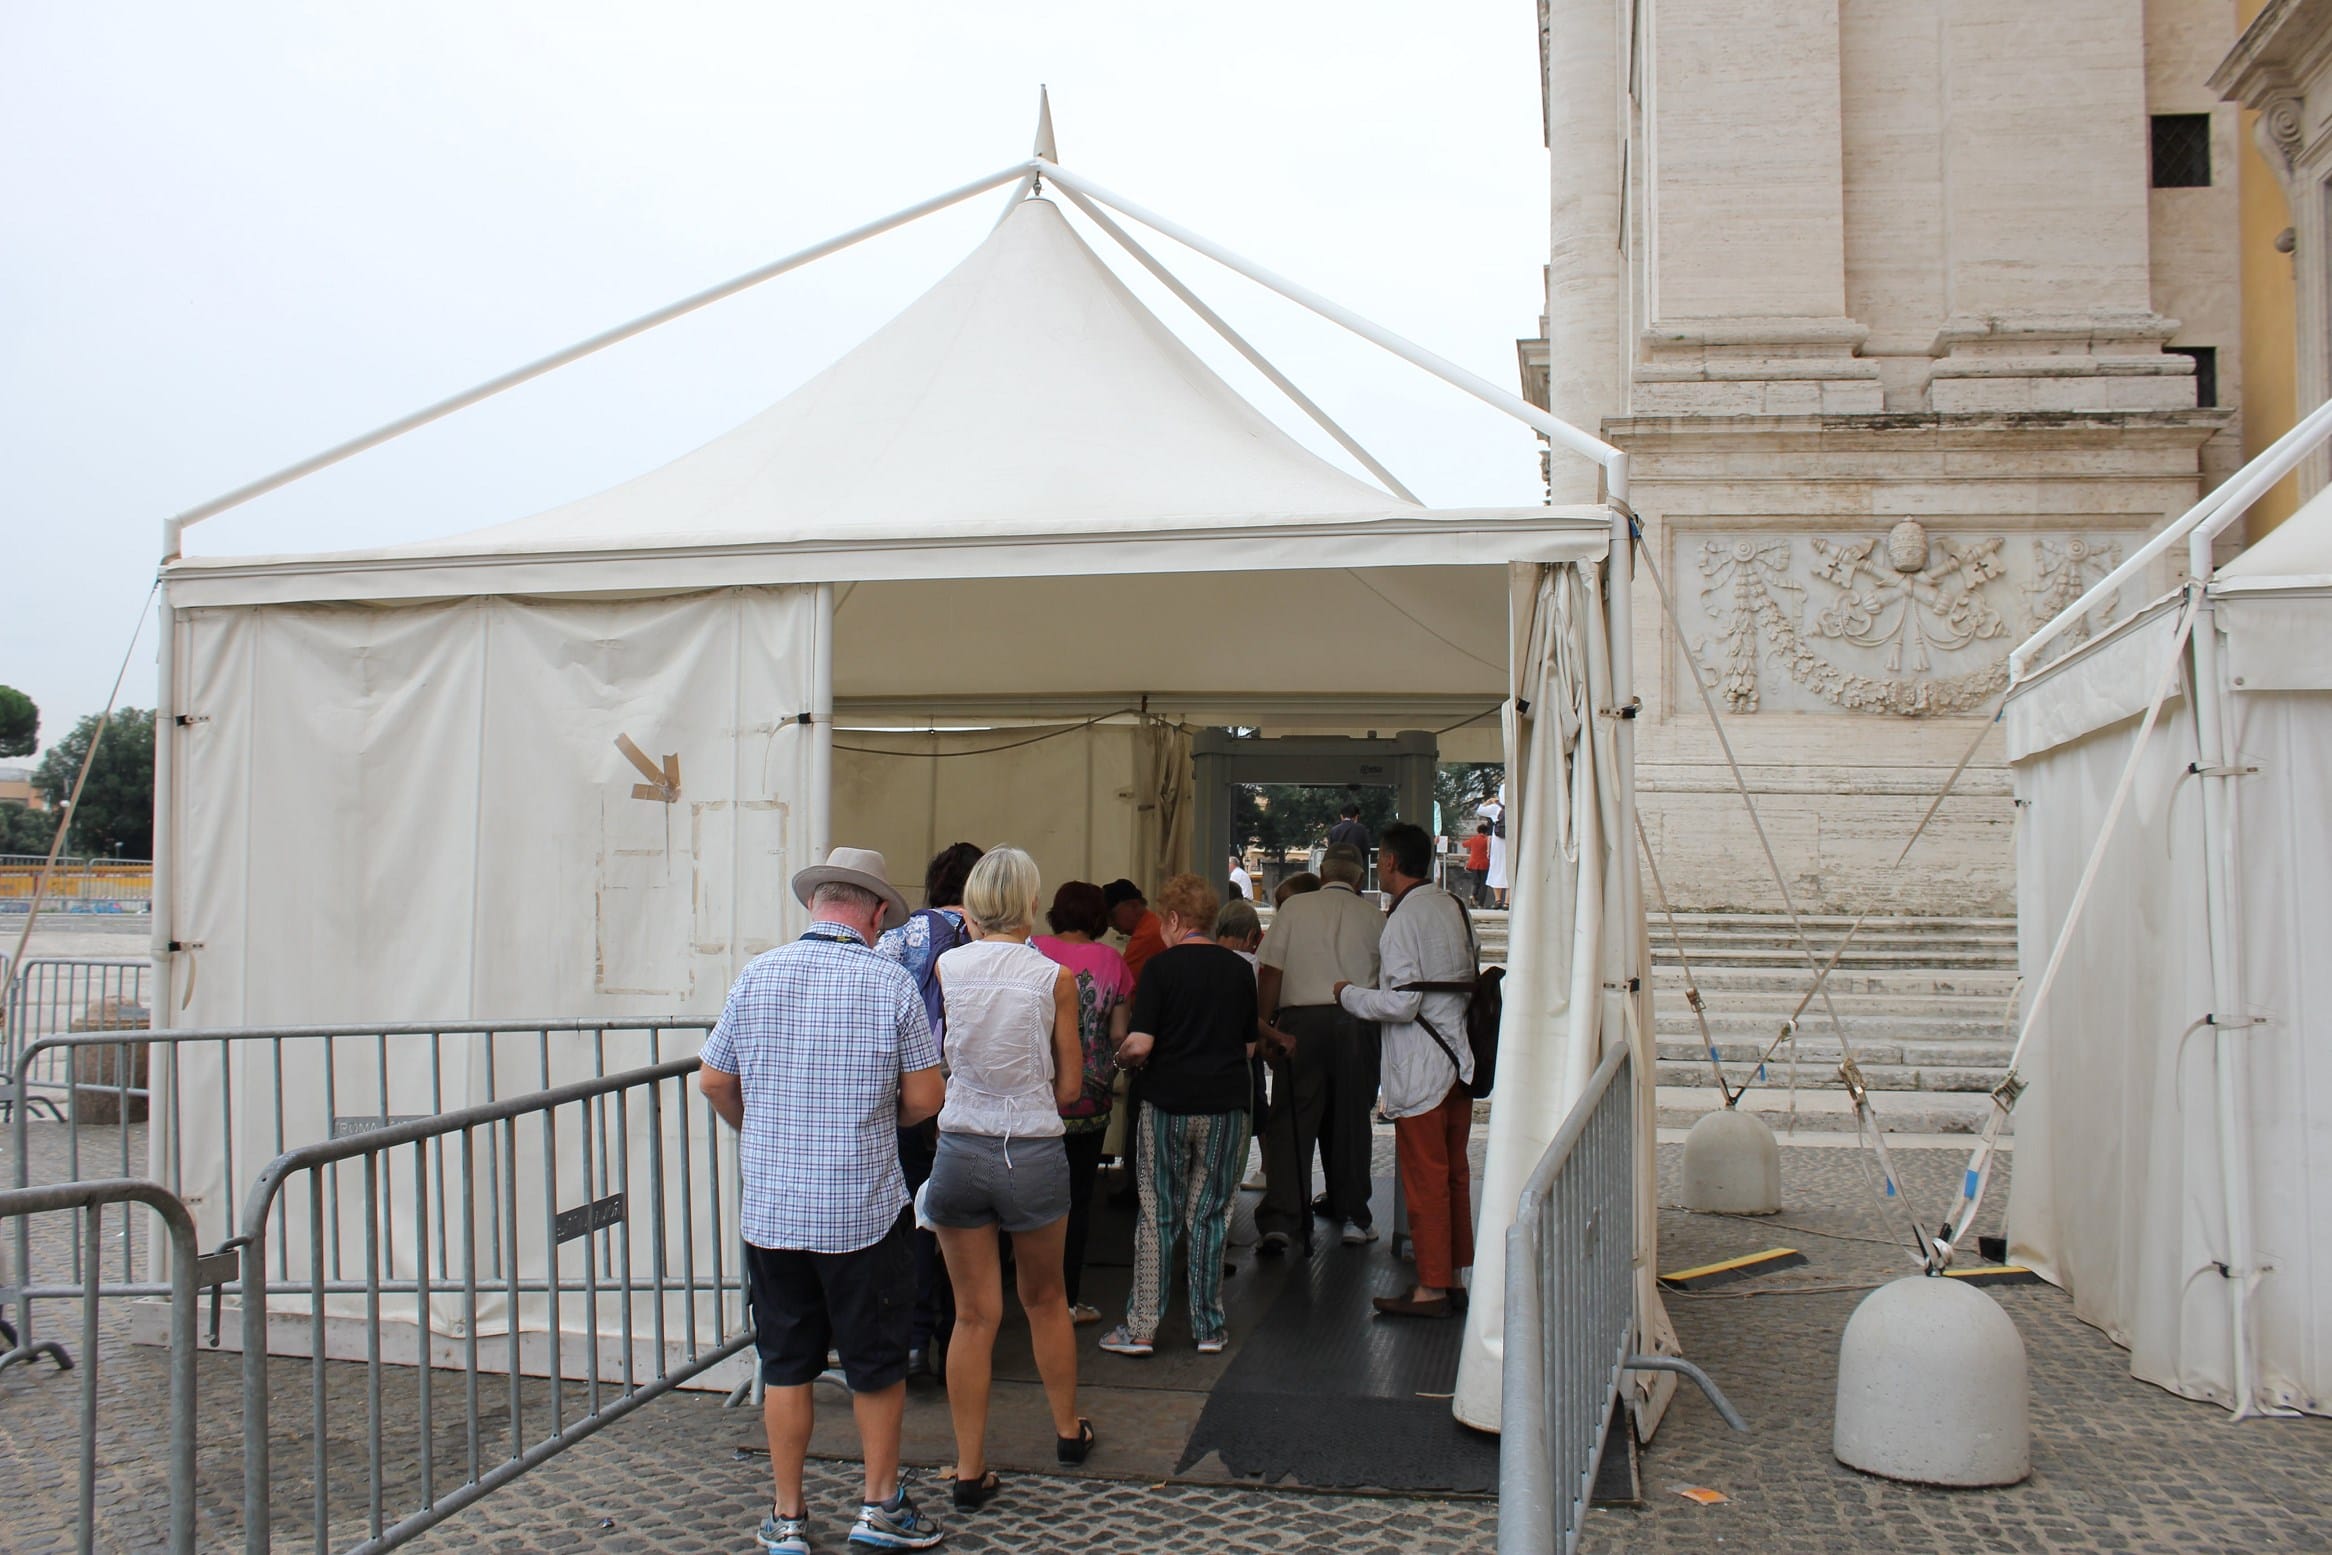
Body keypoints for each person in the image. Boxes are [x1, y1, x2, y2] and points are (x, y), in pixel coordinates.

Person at [697, 846, 948, 1554]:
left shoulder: (759, 971)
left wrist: (763, 1126)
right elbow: (926, 1096)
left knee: (786, 1361)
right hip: (862, 1211)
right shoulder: (891, 983)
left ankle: (787, 1517)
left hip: (773, 1210)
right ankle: (877, 1506)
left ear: (815, 905)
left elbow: (714, 1080)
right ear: (873, 912)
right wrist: (879, 1119)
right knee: (874, 1363)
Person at [923, 847, 1094, 1510]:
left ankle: (969, 1467)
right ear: (1030, 900)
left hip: (959, 1146)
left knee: (972, 1315)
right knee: (1046, 1300)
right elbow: (1073, 1083)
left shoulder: (946, 964)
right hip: (1030, 1146)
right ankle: (1067, 1431)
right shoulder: (1055, 975)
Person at [1096, 874, 1256, 1358]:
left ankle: (1142, 1328)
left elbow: (1141, 1043)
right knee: (1210, 1216)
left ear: (1172, 920)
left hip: (1167, 1105)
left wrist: (1120, 1059)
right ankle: (1208, 1328)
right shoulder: (1239, 970)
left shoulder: (1161, 969)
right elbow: (1248, 1047)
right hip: (1226, 1107)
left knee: (1158, 1213)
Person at [1334, 822, 1476, 1319]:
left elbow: (1403, 1003)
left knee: (1426, 1179)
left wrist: (1347, 994)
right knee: (1454, 1174)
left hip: (1422, 1066)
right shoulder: (1452, 906)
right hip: (1459, 1060)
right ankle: (1453, 1277)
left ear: (1389, 862)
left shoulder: (1403, 920)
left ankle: (1431, 1288)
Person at [875, 840, 984, 1381]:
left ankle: (914, 1338)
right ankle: (958, 1338)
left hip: (909, 1090)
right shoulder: (990, 936)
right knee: (963, 1218)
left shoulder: (900, 933)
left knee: (914, 1216)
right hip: (970, 1093)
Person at [1254, 842, 1383, 1255]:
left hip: (1301, 1024)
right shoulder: (1375, 916)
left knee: (1291, 1119)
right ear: (1360, 879)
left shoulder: (1294, 909)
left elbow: (1271, 971)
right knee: (1351, 1121)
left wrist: (1265, 1028)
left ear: (1323, 873)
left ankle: (1282, 1220)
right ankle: (1353, 1217)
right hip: (1357, 1023)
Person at [1031, 880, 1133, 1325]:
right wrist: (1109, 1067)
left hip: (1032, 1094)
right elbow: (1118, 1034)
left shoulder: (1032, 949)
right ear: (1099, 918)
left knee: (1025, 1201)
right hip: (1087, 1100)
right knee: (1076, 1203)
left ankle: (1019, 1294)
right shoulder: (1113, 961)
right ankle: (1066, 1303)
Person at [1101, 878, 1168, 987]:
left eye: (1112, 916)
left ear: (1133, 905)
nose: (1109, 924)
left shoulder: (1146, 936)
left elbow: (1124, 987)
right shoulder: (1154, 925)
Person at [1477, 789, 1510, 909]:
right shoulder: (1515, 807)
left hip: (1498, 842)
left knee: (1496, 868)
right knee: (1510, 869)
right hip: (1511, 841)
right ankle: (1507, 902)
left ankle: (1497, 900)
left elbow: (1480, 810)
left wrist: (1489, 801)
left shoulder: (1495, 808)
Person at [1463, 823, 1492, 907]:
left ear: (1478, 831)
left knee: (1475, 882)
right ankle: (1480, 903)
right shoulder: (1487, 840)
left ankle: (1472, 895)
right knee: (1483, 884)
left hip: (1473, 864)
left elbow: (1464, 844)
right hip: (1485, 864)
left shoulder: (1473, 839)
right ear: (1486, 832)